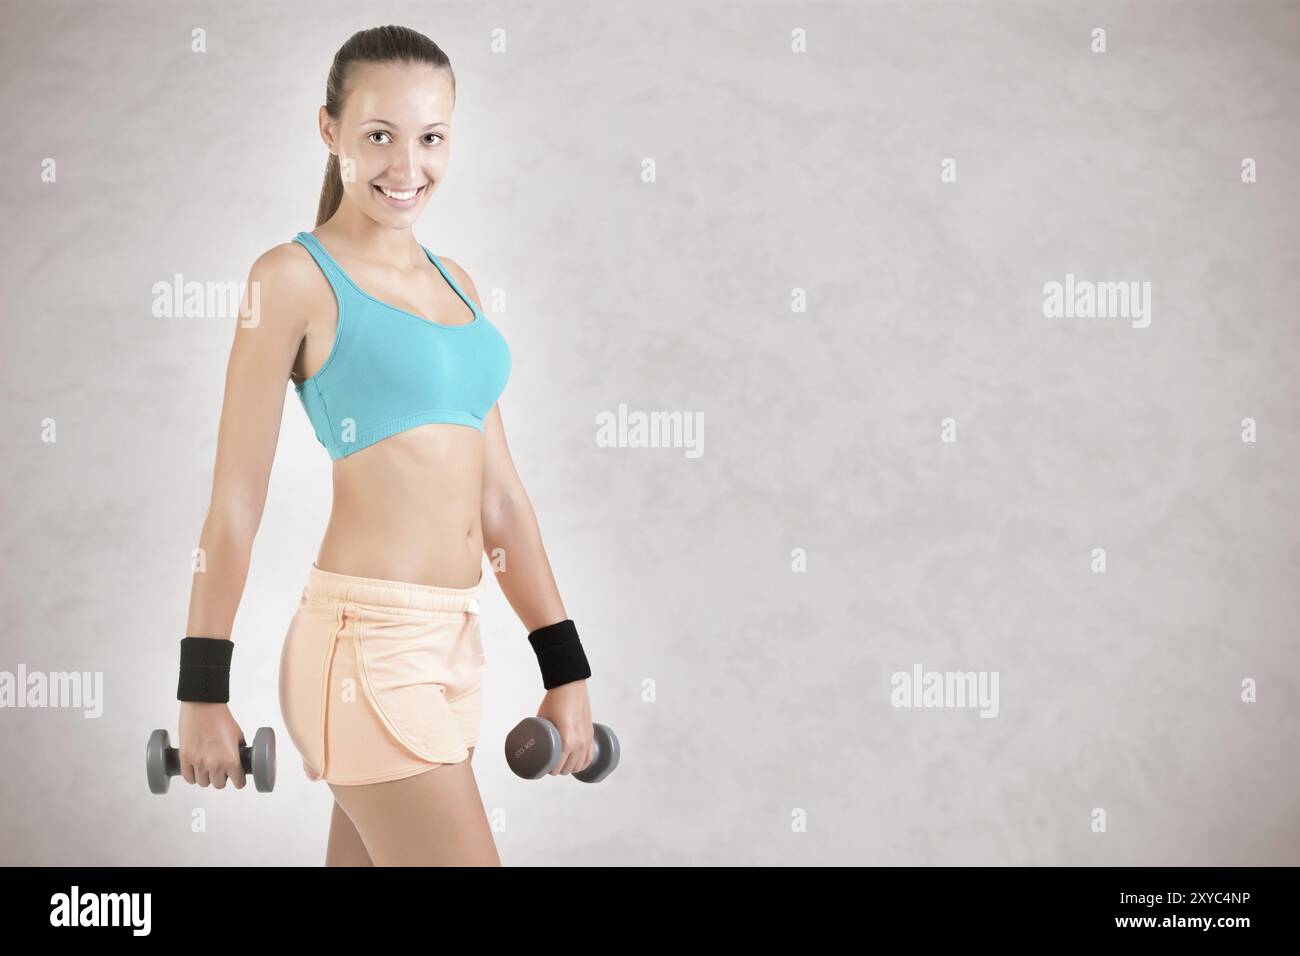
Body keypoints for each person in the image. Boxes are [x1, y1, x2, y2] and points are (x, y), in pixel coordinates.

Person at [173, 25, 594, 866]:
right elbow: (235, 502)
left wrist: (565, 665)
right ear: (328, 132)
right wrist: (201, 692)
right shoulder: (290, 279)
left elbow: (500, 499)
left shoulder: (458, 285)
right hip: (367, 648)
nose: (408, 167)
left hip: (451, 644)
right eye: (379, 136)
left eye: (431, 137)